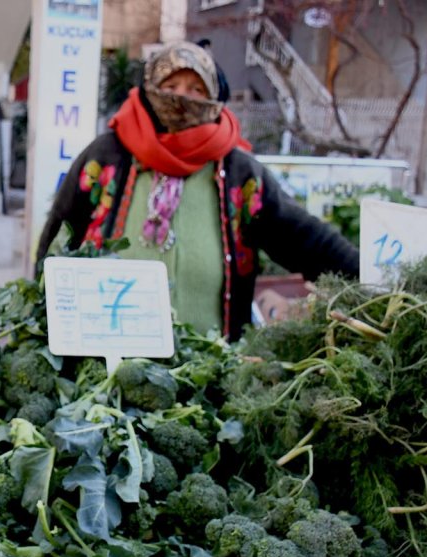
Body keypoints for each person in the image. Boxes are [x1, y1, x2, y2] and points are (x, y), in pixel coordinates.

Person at [35, 42, 358, 341]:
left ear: (215, 97)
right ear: (149, 91)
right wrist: (41, 312)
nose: (182, 98)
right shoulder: (106, 156)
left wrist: (365, 276)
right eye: (170, 87)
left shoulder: (240, 173)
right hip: (107, 362)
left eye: (196, 89)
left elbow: (303, 239)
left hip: (209, 367)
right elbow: (59, 236)